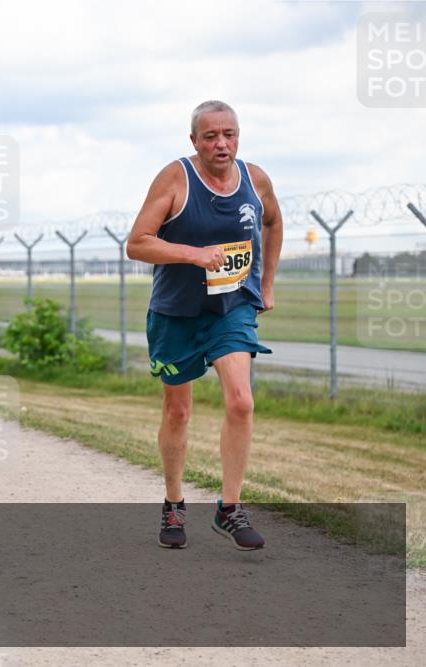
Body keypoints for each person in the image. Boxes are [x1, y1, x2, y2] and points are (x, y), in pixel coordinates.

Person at [126, 100, 283, 551]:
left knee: (241, 401)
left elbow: (273, 222)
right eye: (210, 136)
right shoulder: (176, 178)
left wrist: (266, 285)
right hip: (176, 312)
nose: (221, 144)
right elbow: (137, 243)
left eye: (229, 134)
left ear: (239, 136)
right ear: (194, 140)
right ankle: (174, 503)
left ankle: (229, 507)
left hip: (231, 308)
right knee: (178, 411)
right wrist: (194, 255)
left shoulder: (256, 180)